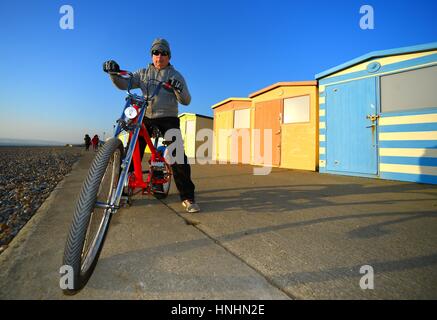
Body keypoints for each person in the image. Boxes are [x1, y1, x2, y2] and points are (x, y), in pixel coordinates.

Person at [103, 38, 200, 213]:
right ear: (152, 55)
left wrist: (178, 89)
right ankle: (125, 188)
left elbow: (186, 100)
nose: (159, 56)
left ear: (169, 56)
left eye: (163, 53)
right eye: (156, 52)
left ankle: (187, 196)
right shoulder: (143, 73)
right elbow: (124, 84)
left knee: (178, 154)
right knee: (133, 149)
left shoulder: (176, 75)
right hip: (145, 116)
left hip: (168, 117)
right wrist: (113, 73)